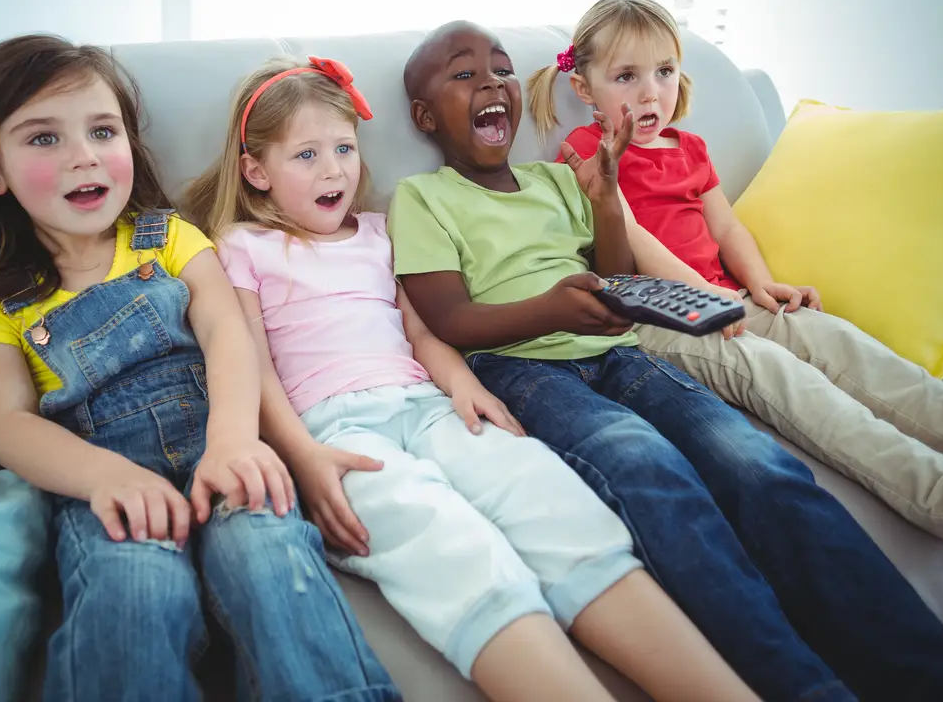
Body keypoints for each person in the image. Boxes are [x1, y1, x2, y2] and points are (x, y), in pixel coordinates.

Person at [390, 19, 943, 702]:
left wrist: (605, 205)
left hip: (617, 348)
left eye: (502, 69)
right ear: (424, 117)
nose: (492, 83)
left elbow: (616, 272)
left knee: (763, 468)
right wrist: (553, 310)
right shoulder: (423, 198)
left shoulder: (555, 180)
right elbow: (451, 319)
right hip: (526, 370)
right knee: (651, 471)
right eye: (465, 74)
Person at [182, 55, 758, 702]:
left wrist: (464, 387)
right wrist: (302, 455)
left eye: (344, 147)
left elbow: (421, 332)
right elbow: (250, 364)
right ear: (257, 171)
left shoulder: (377, 231)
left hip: (425, 403)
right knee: (447, 539)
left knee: (546, 496)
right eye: (306, 155)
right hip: (335, 428)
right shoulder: (242, 246)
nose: (334, 169)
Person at [0, 35, 398, 702]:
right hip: (101, 483)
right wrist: (105, 477)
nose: (83, 155)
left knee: (272, 561)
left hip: (220, 447)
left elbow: (227, 332)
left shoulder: (167, 237)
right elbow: (8, 424)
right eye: (44, 138)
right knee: (134, 593)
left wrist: (233, 439)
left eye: (101, 131)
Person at [527, 0, 943, 562]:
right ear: (584, 88)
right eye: (626, 77)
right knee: (790, 381)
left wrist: (761, 284)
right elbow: (634, 238)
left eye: (664, 71)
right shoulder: (588, 152)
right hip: (661, 318)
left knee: (846, 345)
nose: (650, 93)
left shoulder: (690, 149)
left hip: (728, 298)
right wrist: (704, 296)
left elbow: (726, 226)